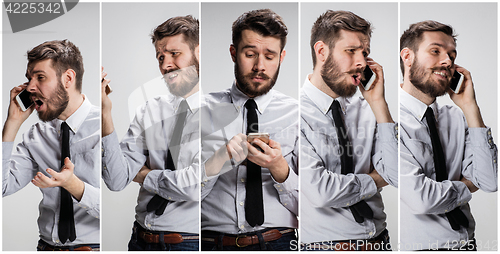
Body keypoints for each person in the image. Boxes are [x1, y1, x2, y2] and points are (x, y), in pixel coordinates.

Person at [200, 9, 298, 251]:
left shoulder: (299, 115)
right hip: (212, 244)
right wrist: (216, 163)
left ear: (282, 57)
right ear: (234, 53)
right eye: (250, 54)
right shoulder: (197, 112)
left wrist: (280, 169)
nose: (259, 66)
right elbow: (178, 199)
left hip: (280, 243)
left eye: (270, 56)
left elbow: (318, 207)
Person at [299, 10, 397, 251]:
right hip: (326, 247)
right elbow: (321, 192)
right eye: (351, 51)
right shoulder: (294, 115)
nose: (361, 62)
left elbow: (396, 173)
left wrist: (379, 104)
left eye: (365, 53)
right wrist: (376, 178)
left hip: (380, 242)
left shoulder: (368, 107)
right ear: (321, 51)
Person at [101, 15, 200, 251]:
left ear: (198, 52)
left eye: (175, 54)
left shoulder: (221, 113)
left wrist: (143, 174)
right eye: (160, 57)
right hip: (140, 239)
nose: (166, 65)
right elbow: (116, 180)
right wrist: (106, 113)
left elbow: (194, 187)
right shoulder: (149, 110)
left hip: (188, 243)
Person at [399, 20, 498, 251]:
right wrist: (468, 185)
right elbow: (422, 199)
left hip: (468, 245)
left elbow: (490, 181)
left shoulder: (457, 117)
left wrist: (471, 108)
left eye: (452, 55)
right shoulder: (390, 121)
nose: (447, 61)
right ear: (408, 56)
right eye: (436, 51)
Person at [2, 40, 100, 250]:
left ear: (68, 79)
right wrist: (11, 125)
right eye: (29, 79)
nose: (30, 87)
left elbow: (119, 205)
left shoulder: (104, 128)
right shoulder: (37, 134)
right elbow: (3, 187)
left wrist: (74, 185)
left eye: (40, 77)